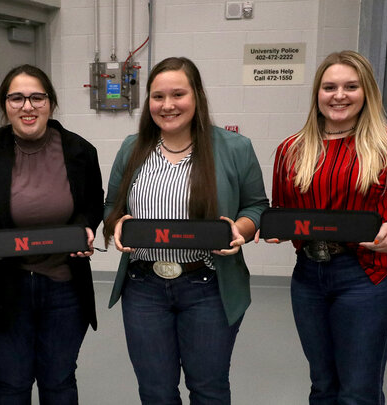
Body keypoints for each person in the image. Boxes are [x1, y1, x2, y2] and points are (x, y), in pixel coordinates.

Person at [266, 50, 387, 404]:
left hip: (369, 277)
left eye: (350, 86)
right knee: (323, 386)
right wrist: (273, 227)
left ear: (367, 92)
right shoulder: (291, 150)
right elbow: (283, 211)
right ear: (317, 93)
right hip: (309, 277)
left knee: (358, 392)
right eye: (329, 87)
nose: (339, 95)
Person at [103, 56, 269, 405]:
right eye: (158, 96)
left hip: (208, 285)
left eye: (178, 94)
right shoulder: (132, 149)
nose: (167, 105)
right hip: (143, 287)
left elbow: (257, 206)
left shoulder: (235, 148)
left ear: (197, 97)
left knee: (208, 389)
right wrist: (117, 223)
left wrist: (238, 230)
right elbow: (110, 208)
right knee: (155, 391)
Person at [0, 64, 103, 405]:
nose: (27, 106)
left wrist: (85, 227)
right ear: (5, 104)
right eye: (17, 98)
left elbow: (93, 204)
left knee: (59, 380)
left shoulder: (80, 150)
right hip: (3, 286)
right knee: (13, 381)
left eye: (37, 97)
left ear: (50, 103)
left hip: (64, 286)